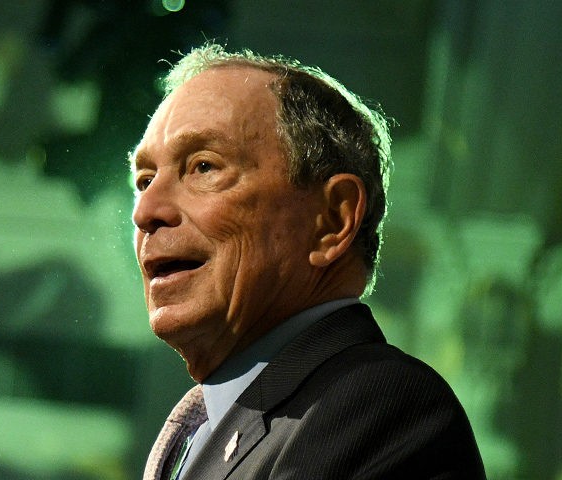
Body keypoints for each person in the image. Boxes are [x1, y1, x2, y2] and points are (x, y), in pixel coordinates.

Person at [130, 42, 485, 480]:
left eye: (203, 166)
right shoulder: (200, 432)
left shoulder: (379, 406)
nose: (145, 211)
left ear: (332, 220)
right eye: (145, 180)